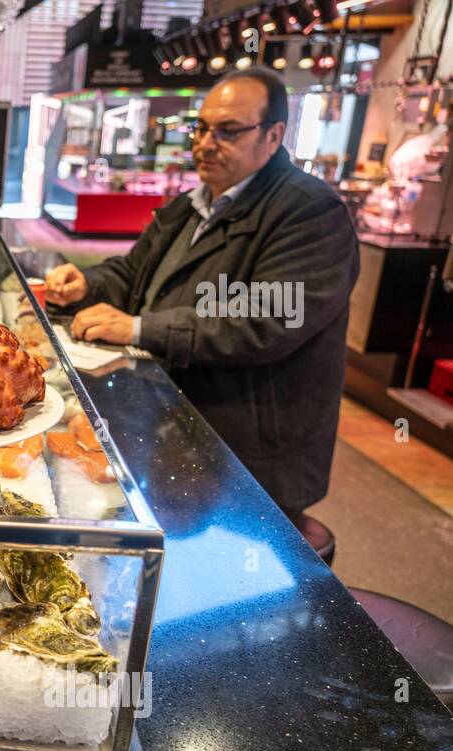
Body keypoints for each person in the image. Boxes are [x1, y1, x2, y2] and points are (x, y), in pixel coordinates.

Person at [43, 68, 359, 521]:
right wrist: (88, 283)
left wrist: (140, 328)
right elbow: (134, 273)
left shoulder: (311, 212)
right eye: (202, 128)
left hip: (248, 456)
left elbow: (265, 319)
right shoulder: (194, 203)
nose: (207, 143)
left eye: (228, 131)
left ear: (273, 135)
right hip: (174, 426)